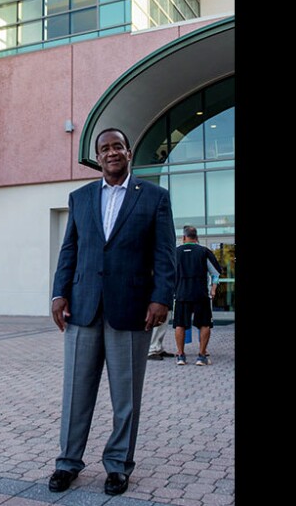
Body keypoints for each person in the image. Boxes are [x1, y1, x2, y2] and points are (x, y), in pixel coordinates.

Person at [49, 128, 176, 497]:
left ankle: (118, 466)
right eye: (104, 149)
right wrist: (59, 293)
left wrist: (161, 298)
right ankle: (68, 463)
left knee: (126, 397)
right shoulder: (80, 197)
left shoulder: (154, 197)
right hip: (83, 308)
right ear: (97, 157)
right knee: (75, 393)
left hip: (133, 311)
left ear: (128, 151)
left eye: (117, 146)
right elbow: (69, 250)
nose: (111, 152)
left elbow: (164, 254)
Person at [172, 226, 220, 366]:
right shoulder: (204, 251)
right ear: (196, 238)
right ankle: (201, 356)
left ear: (184, 237)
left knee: (180, 325)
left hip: (181, 294)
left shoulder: (175, 252)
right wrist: (214, 289)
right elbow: (215, 273)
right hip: (200, 294)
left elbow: (168, 274)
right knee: (205, 324)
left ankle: (181, 356)